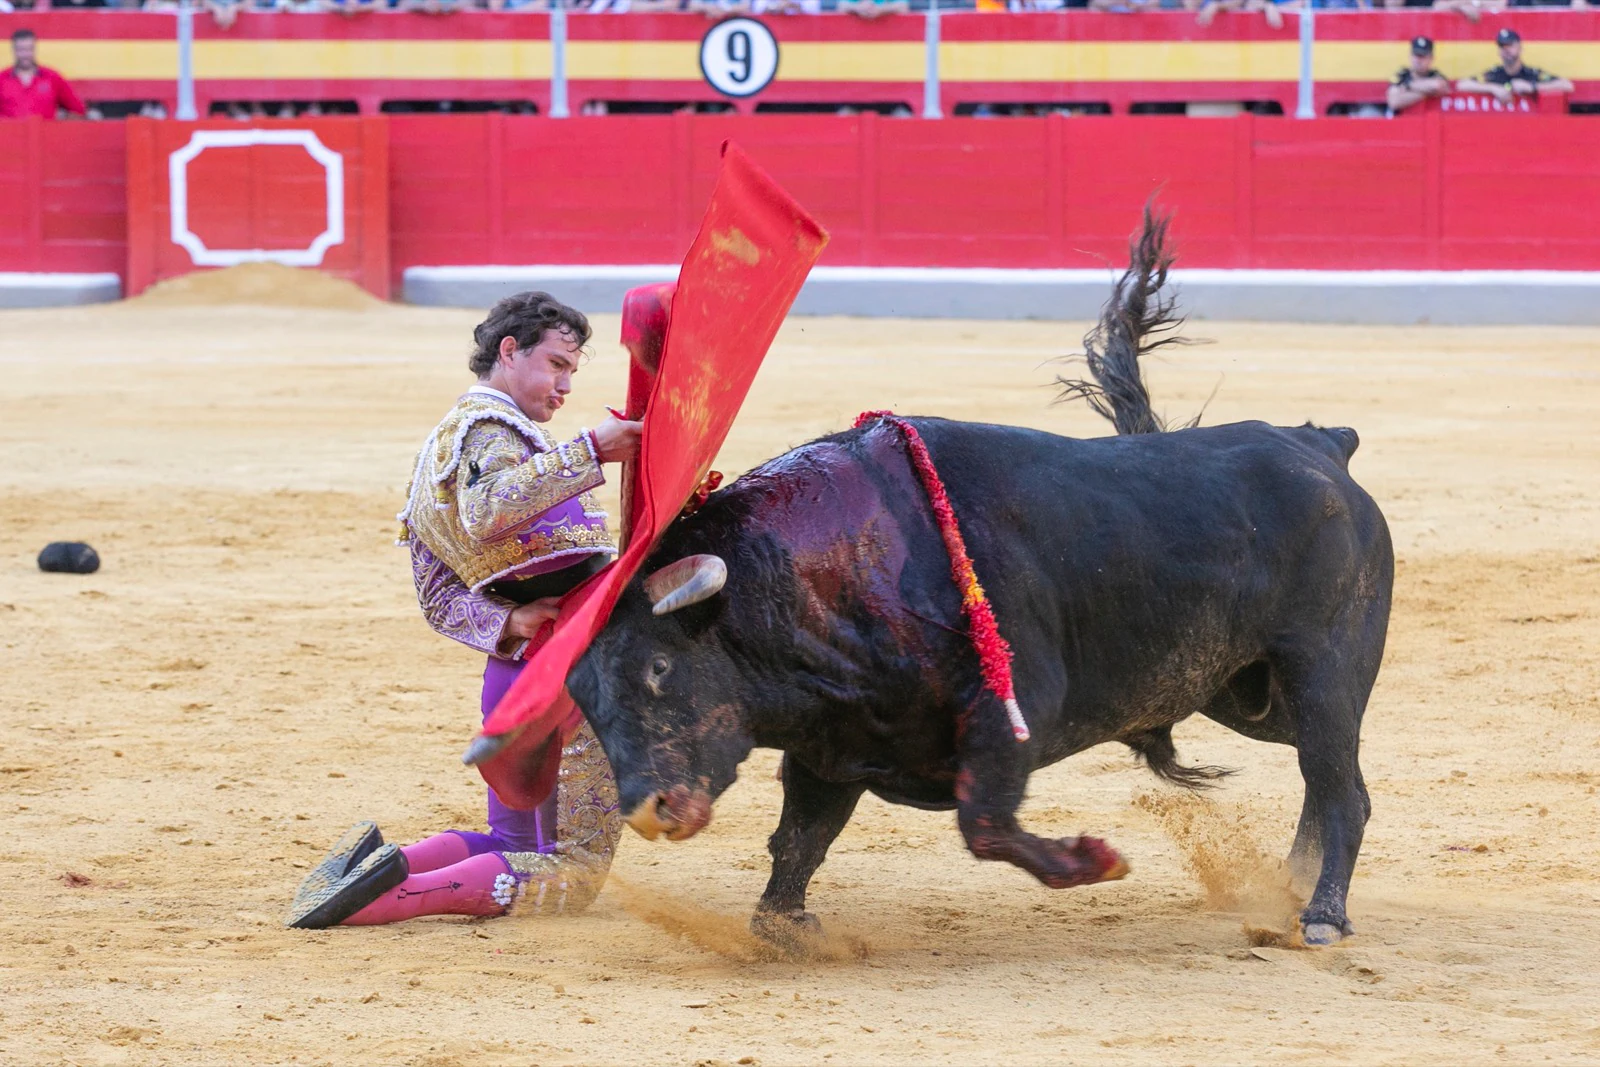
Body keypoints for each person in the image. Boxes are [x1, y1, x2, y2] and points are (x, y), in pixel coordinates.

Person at [287, 292, 643, 930]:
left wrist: (506, 624)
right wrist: (590, 450)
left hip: (514, 677)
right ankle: (382, 898)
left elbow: (436, 591)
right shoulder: (490, 431)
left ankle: (383, 865)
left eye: (573, 372)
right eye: (556, 364)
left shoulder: (447, 443)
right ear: (509, 351)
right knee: (573, 872)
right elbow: (490, 511)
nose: (564, 386)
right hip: (568, 682)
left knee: (515, 847)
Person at [1456, 28, 1575, 103]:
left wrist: (1532, 87)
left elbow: (1567, 85)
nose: (1506, 50)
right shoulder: (1494, 74)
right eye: (1502, 46)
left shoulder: (1531, 73)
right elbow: (1462, 84)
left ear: (1520, 48)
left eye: (1510, 45)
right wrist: (1493, 88)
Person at [0, 29, 86, 121]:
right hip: (8, 135)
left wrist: (60, 124)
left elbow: (78, 110)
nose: (25, 54)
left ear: (35, 49)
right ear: (13, 50)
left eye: (29, 49)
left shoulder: (52, 77)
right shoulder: (2, 79)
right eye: (21, 49)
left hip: (47, 134)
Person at [1387, 35, 1451, 114]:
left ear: (1431, 58)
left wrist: (1408, 86)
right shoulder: (1402, 75)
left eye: (1422, 56)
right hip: (1403, 122)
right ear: (1410, 56)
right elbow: (1394, 102)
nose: (1418, 60)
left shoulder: (1435, 75)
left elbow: (1438, 86)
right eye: (1416, 55)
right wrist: (1429, 92)